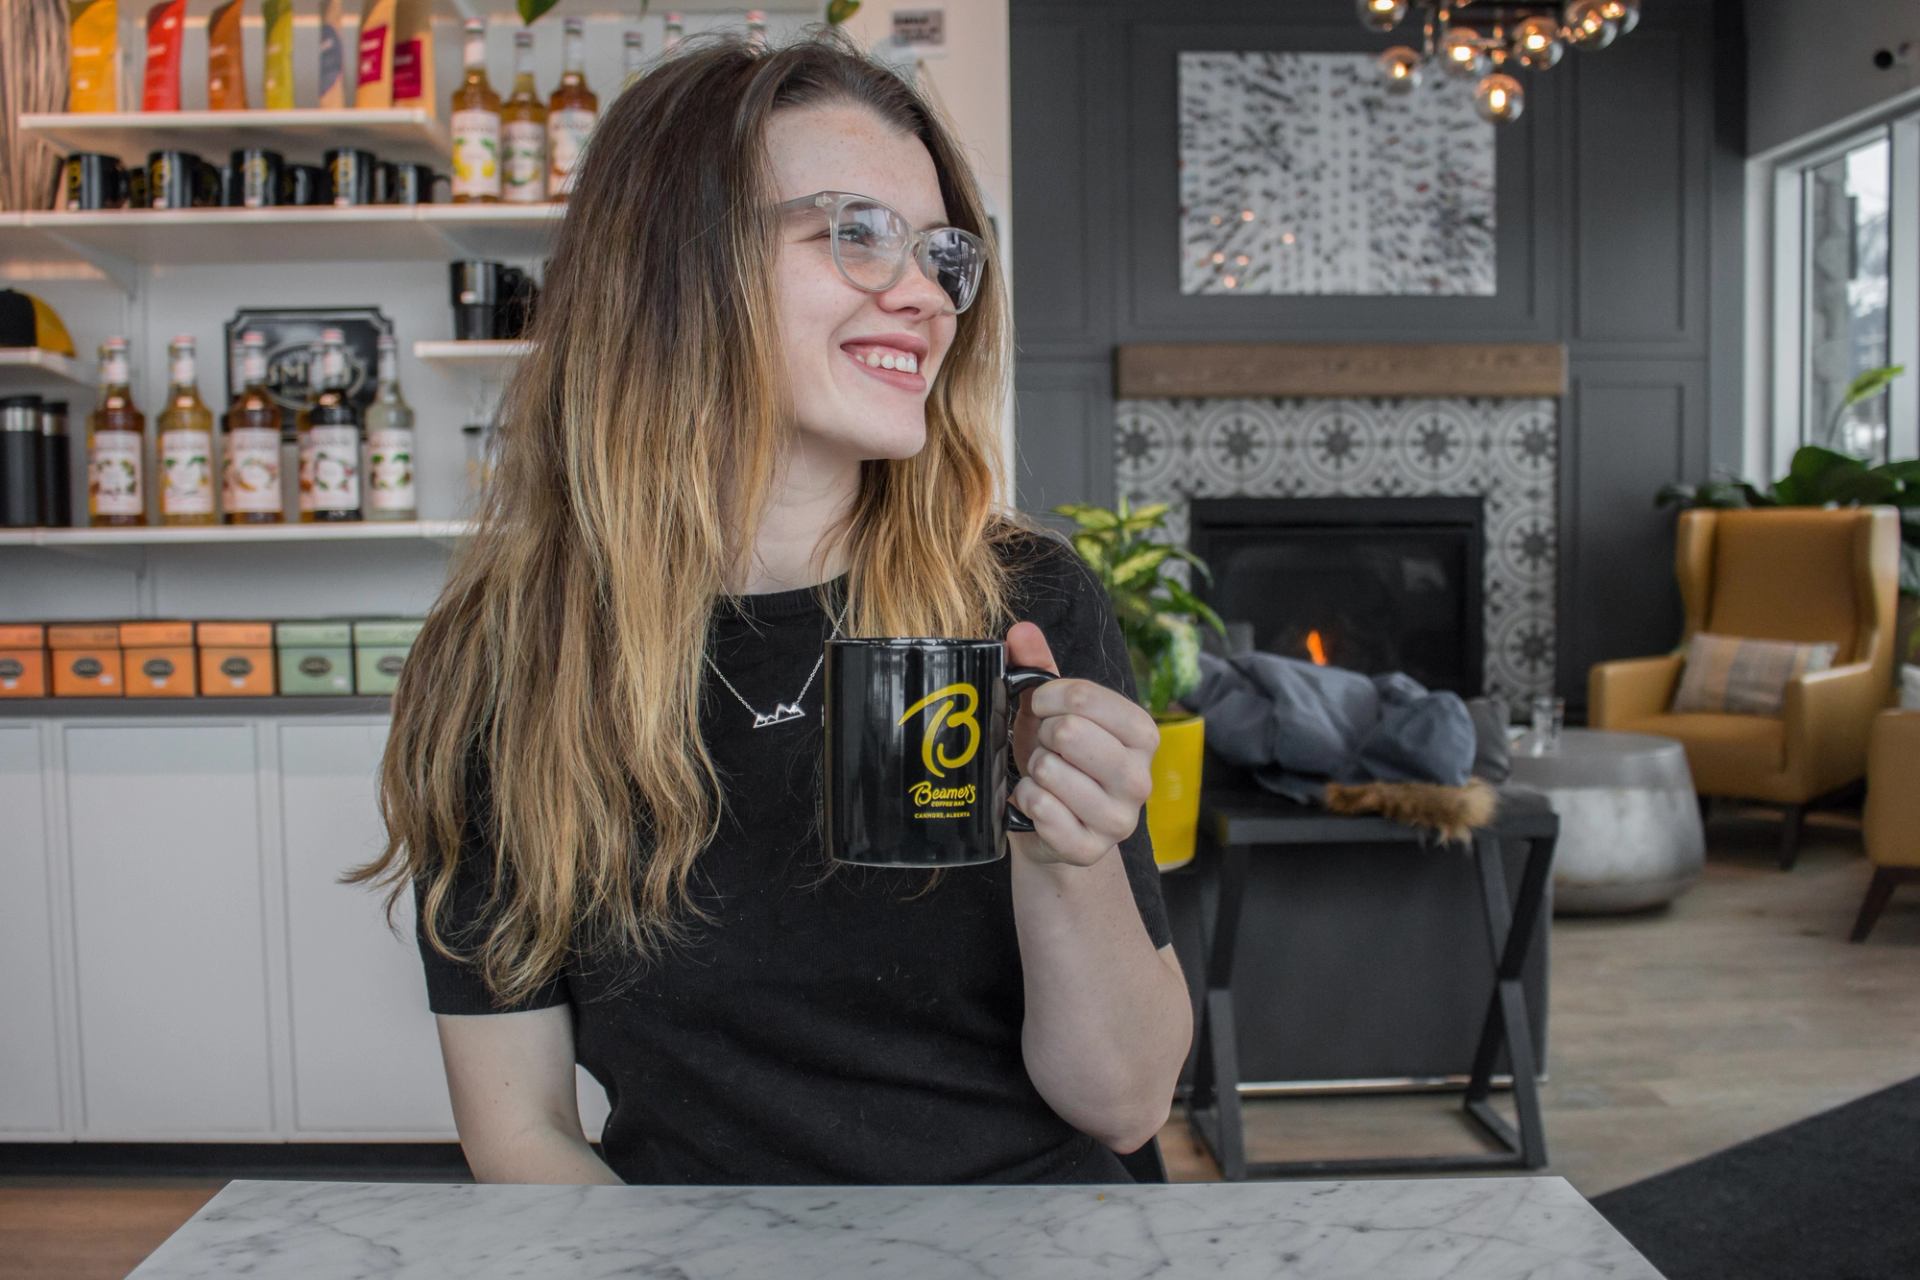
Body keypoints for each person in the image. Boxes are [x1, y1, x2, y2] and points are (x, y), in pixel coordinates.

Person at [350, 27, 1191, 1186]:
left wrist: (1070, 856)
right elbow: (525, 1130)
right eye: (854, 235)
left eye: (944, 254)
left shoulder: (1019, 604)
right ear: (672, 263)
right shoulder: (507, 660)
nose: (926, 298)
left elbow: (1128, 1101)